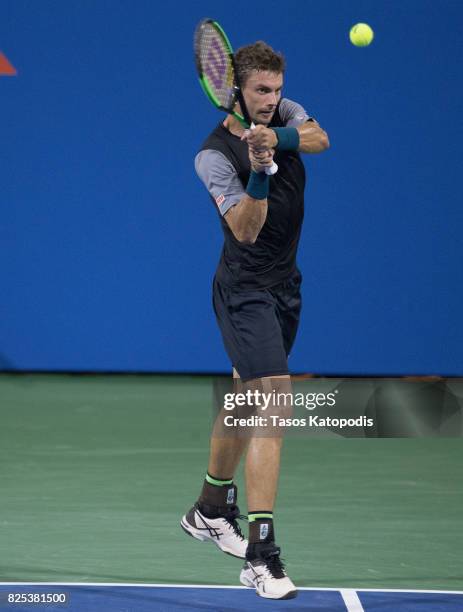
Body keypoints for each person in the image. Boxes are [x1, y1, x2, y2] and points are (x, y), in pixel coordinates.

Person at [181, 41, 329, 600]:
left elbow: (320, 138)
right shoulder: (213, 155)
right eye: (260, 91)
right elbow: (245, 229)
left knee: (246, 396)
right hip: (244, 291)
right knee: (273, 398)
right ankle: (263, 555)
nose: (271, 99)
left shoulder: (284, 115)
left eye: (276, 89)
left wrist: (279, 139)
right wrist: (262, 169)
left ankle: (210, 507)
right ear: (234, 91)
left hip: (286, 287)